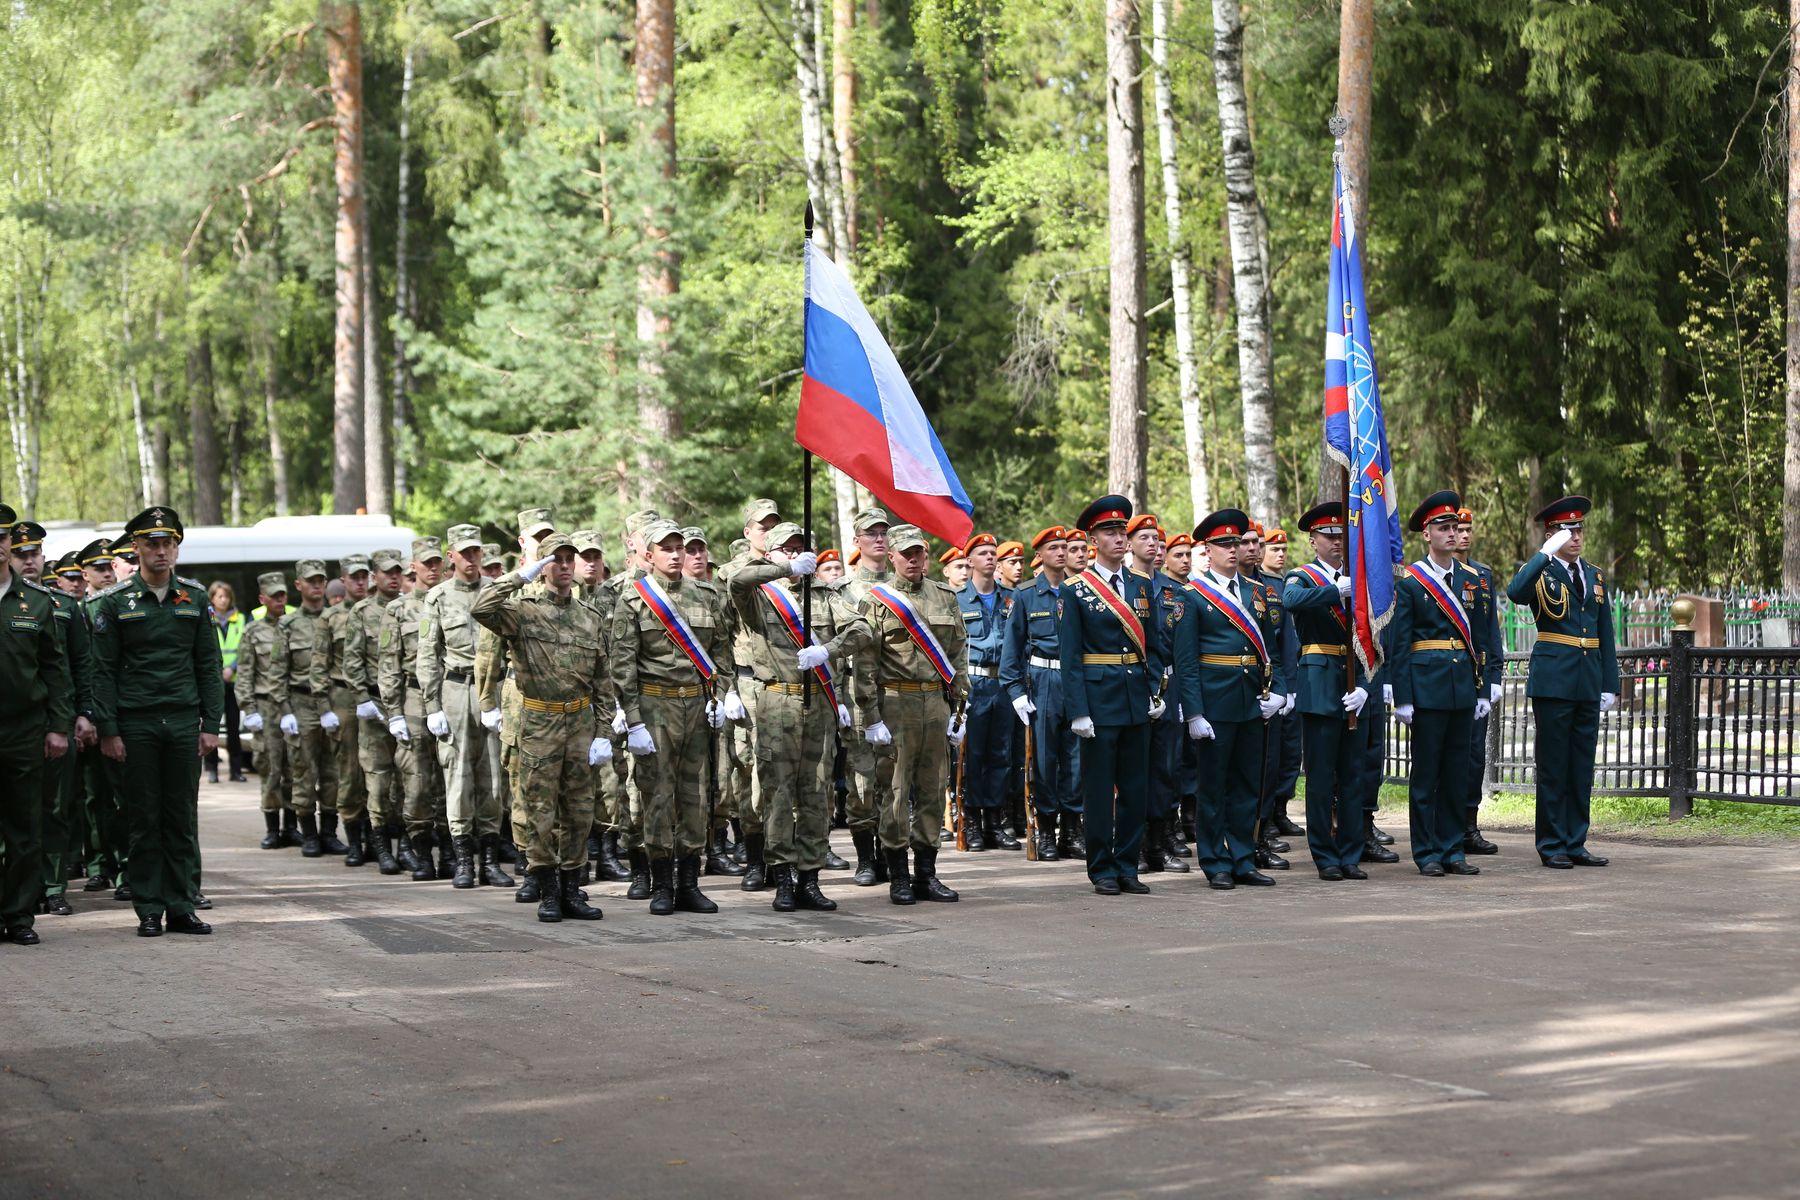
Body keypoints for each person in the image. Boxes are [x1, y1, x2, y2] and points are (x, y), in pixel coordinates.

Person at [88, 506, 221, 937]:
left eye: (168, 543)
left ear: (177, 547)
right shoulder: (115, 601)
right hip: (137, 723)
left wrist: (210, 725)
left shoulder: (195, 598)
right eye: (151, 543)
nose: (161, 551)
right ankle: (148, 906)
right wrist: (108, 729)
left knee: (181, 816)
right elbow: (102, 671)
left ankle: (181, 905)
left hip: (183, 721)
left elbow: (208, 664)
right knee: (143, 817)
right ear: (137, 548)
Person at [726, 521, 870, 912]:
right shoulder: (762, 596)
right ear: (769, 555)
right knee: (778, 794)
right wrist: (786, 570)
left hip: (818, 702)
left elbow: (862, 628)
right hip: (777, 700)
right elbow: (738, 581)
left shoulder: (824, 596)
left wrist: (830, 650)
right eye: (786, 550)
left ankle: (810, 877)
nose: (794, 554)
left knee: (816, 793)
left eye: (798, 549)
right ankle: (783, 879)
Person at [473, 533, 608, 921]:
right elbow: (482, 608)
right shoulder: (522, 610)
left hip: (580, 720)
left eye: (570, 559)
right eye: (556, 559)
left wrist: (605, 731)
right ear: (543, 565)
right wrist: (517, 577)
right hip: (539, 719)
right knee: (539, 810)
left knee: (580, 810)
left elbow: (603, 679)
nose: (565, 565)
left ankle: (572, 889)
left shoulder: (590, 617)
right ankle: (547, 889)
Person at [611, 518, 738, 914]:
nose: (676, 554)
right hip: (655, 705)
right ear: (648, 556)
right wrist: (633, 720)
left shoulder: (707, 594)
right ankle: (661, 883)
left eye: (679, 547)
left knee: (694, 795)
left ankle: (689, 883)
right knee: (658, 796)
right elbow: (622, 664)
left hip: (696, 706)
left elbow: (722, 653)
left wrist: (719, 695)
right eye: (666, 548)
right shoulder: (634, 599)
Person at [1173, 508, 1287, 890]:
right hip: (1214, 702)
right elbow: (1186, 660)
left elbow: (1273, 650)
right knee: (1213, 787)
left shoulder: (1258, 592)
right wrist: (1194, 712)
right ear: (1208, 549)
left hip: (1251, 700)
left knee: (1246, 785)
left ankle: (1242, 857)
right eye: (1224, 544)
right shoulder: (1192, 595)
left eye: (1236, 543)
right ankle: (1215, 860)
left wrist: (1281, 692)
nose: (1233, 550)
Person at [854, 523, 968, 904]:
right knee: (896, 790)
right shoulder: (877, 600)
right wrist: (870, 715)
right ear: (892, 557)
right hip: (895, 702)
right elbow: (865, 661)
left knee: (935, 788)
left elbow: (958, 653)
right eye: (906, 553)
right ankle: (898, 875)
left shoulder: (944, 596)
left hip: (935, 701)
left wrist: (959, 708)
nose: (914, 559)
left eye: (919, 552)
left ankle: (927, 873)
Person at [1506, 496, 1618, 869]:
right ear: (1551, 534)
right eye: (1567, 531)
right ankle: (1552, 842)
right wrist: (1543, 555)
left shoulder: (1594, 575)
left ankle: (1576, 840)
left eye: (1579, 529)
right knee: (1554, 765)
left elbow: (1606, 632)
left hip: (1587, 679)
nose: (1576, 537)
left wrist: (1609, 683)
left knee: (1581, 765)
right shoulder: (1540, 571)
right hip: (1554, 679)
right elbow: (1515, 592)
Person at [1059, 496, 1161, 896]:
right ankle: (1102, 867)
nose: (1119, 538)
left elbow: (1153, 645)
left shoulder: (1141, 584)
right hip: (1098, 702)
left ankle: (1127, 864)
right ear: (1092, 540)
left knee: (1136, 789)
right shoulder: (1075, 590)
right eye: (1110, 532)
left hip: (1136, 697)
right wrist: (1078, 711)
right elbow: (1069, 656)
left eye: (1122, 531)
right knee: (1100, 791)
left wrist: (1156, 690)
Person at [1389, 490, 1491, 878]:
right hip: (1427, 687)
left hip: (1462, 686)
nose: (1451, 534)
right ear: (1426, 535)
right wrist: (1403, 696)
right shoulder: (1412, 582)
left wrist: (1483, 689)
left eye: (1454, 527)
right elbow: (1400, 643)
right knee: (1427, 773)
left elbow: (1479, 640)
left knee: (1457, 772)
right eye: (1442, 528)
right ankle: (1427, 851)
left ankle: (1453, 849)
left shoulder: (1471, 580)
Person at [1282, 503, 1370, 880]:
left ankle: (1350, 852)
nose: (1337, 542)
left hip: (1353, 680)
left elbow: (1371, 637)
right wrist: (1334, 591)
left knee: (1353, 775)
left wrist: (1366, 687)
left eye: (1341, 536)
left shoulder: (1360, 578)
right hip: (1319, 682)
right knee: (1320, 777)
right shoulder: (1301, 577)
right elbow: (1291, 602)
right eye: (1329, 536)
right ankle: (1324, 855)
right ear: (1313, 540)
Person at [0, 505, 74, 945]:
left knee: (25, 828)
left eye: (3, 535)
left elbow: (54, 670)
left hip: (24, 729)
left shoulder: (36, 602)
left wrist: (58, 726)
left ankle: (19, 916)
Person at [10, 519, 90, 921]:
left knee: (46, 813)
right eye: (19, 551)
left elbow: (71, 668)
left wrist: (73, 719)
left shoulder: (53, 604)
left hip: (41, 723)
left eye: (33, 553)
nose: (27, 560)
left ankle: (41, 897)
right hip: (17, 724)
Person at [420, 525, 506, 889]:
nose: (472, 559)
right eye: (465, 553)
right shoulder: (438, 597)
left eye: (477, 552)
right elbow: (427, 654)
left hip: (494, 689)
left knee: (493, 776)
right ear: (451, 556)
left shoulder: (496, 592)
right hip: (456, 689)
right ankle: (463, 861)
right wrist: (432, 705)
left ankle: (490, 860)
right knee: (457, 775)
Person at [1001, 525, 1081, 860]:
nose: (1061, 553)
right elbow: (1012, 648)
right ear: (1041, 556)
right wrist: (1017, 691)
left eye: (1065, 547)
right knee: (1046, 760)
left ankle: (1073, 830)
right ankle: (1047, 830)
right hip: (1042, 680)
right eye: (1054, 548)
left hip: (1076, 681)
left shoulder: (1080, 591)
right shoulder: (1026, 595)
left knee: (1076, 760)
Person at [380, 537, 452, 881]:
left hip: (450, 695)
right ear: (414, 567)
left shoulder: (453, 600)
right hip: (413, 699)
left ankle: (452, 852)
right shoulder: (398, 609)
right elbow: (389, 664)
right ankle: (421, 852)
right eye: (427, 563)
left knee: (451, 778)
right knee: (417, 780)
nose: (433, 568)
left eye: (437, 562)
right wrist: (393, 711)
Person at [836, 507, 897, 886]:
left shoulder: (904, 584)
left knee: (893, 778)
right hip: (856, 694)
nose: (878, 538)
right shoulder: (842, 590)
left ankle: (891, 852)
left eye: (883, 532)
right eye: (870, 533)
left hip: (895, 693)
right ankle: (864, 858)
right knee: (860, 779)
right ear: (856, 541)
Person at [1127, 515, 1188, 874]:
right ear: (1130, 543)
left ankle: (1158, 842)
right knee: (1133, 768)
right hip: (1132, 683)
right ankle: (1132, 844)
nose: (1152, 544)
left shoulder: (1173, 590)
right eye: (1144, 537)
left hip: (1168, 684)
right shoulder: (1122, 587)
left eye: (1156, 538)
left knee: (1166, 768)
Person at [271, 560, 345, 858]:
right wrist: (285, 710)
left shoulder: (337, 618)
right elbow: (277, 673)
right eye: (310, 580)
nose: (316, 585)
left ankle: (329, 832)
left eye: (321, 580)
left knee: (333, 771)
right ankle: (309, 834)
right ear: (298, 585)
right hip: (301, 703)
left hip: (334, 701)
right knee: (303, 770)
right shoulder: (287, 625)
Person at [346, 549, 408, 873]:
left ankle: (408, 845)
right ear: (375, 576)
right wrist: (361, 698)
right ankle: (382, 846)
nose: (394, 577)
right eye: (387, 572)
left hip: (408, 704)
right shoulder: (361, 612)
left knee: (409, 780)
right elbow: (351, 660)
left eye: (398, 571)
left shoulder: (412, 607)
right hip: (375, 705)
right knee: (379, 781)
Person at [955, 532, 1017, 851]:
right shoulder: (957, 599)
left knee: (1001, 755)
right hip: (973, 685)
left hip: (1003, 684)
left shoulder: (1011, 598)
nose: (991, 558)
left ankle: (995, 821)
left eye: (994, 553)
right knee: (973, 754)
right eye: (983, 553)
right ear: (970, 561)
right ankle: (972, 822)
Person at [1453, 507, 1505, 855]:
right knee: (1447, 756)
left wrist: (1495, 674)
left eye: (1469, 528)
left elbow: (1490, 634)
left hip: (1475, 680)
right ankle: (1446, 826)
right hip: (1442, 680)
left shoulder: (1482, 576)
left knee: (1474, 755)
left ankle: (1470, 825)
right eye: (1458, 528)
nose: (1465, 535)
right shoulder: (1425, 576)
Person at [315, 556, 372, 864]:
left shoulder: (382, 610)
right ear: (344, 580)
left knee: (377, 770)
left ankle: (376, 837)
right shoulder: (331, 617)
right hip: (344, 698)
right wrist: (324, 707)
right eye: (355, 577)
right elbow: (318, 665)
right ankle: (353, 840)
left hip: (376, 699)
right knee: (349, 771)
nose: (361, 582)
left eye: (365, 576)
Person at [235, 573, 296, 850]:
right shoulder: (253, 631)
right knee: (270, 768)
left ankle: (292, 825)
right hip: (265, 706)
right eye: (275, 596)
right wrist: (248, 708)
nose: (280, 600)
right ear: (263, 599)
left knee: (295, 767)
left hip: (291, 706)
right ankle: (272, 827)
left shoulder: (293, 627)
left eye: (283, 595)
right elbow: (245, 673)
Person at [208, 581, 247, 784]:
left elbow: (244, 649)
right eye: (219, 596)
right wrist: (218, 670)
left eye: (226, 596)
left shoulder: (240, 619)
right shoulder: (206, 618)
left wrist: (232, 668)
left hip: (233, 681)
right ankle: (212, 768)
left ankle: (236, 770)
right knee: (211, 726)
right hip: (214, 682)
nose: (223, 600)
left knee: (234, 729)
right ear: (212, 598)